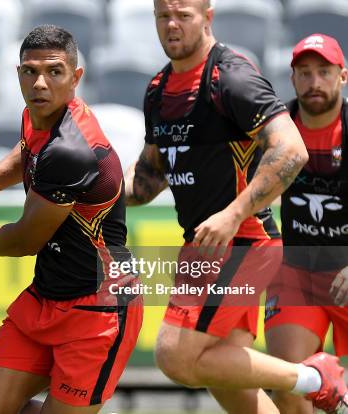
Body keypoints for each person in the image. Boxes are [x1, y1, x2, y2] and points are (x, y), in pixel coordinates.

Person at [125, 1, 347, 413]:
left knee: (174, 355)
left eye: (183, 15)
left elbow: (291, 150)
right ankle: (308, 380)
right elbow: (146, 181)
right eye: (163, 16)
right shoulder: (158, 90)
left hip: (243, 241)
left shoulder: (230, 76)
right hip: (202, 247)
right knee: (224, 378)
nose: (172, 25)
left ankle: (315, 377)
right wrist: (81, 193)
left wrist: (233, 214)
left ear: (207, 17)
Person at [0, 25, 143, 414]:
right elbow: (27, 149)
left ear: (76, 77)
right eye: (29, 71)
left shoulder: (71, 150)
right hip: (46, 297)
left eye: (54, 72)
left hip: (98, 312)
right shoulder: (39, 115)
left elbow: (26, 240)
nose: (40, 83)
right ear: (18, 73)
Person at [265, 33, 348, 414]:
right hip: (297, 270)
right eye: (305, 72)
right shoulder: (276, 129)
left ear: (342, 76)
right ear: (293, 78)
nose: (314, 82)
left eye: (324, 72)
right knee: (284, 381)